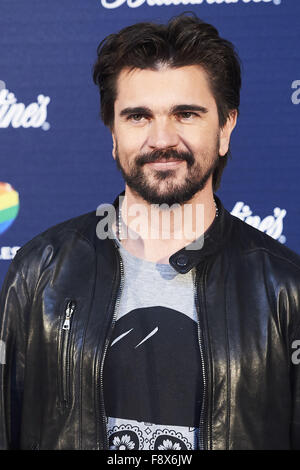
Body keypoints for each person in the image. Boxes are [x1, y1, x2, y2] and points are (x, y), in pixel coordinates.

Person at [1, 13, 300, 451]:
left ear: (226, 128)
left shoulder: (286, 289)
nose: (162, 138)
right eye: (138, 116)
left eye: (186, 113)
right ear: (113, 132)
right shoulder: (38, 272)